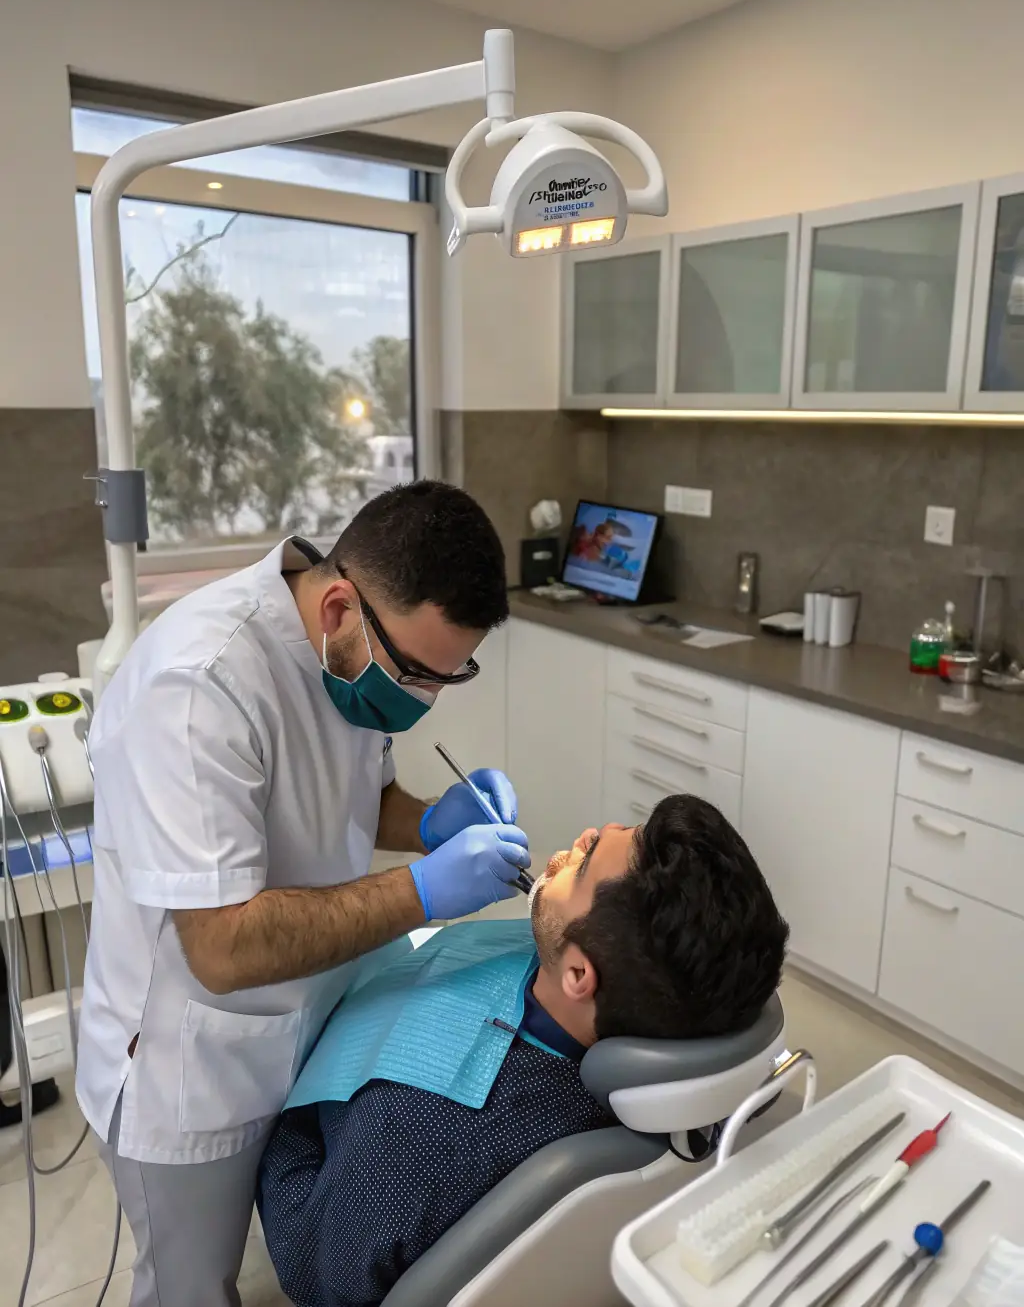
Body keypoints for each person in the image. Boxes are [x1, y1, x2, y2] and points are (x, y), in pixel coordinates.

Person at [76, 481, 532, 1307]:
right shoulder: (198, 685)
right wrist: (425, 889)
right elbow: (221, 946)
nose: (422, 698)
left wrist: (432, 821)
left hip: (307, 1021)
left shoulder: (349, 661)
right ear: (337, 608)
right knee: (192, 1287)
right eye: (416, 672)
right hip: (191, 1064)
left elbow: (350, 793)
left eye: (448, 674)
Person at [258, 794, 790, 1307]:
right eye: (603, 834)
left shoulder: (419, 1134)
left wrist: (280, 1128)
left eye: (584, 863)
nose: (583, 836)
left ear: (579, 974)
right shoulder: (658, 1001)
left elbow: (315, 1274)